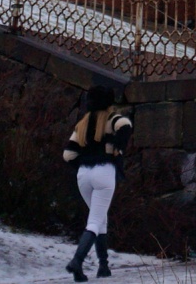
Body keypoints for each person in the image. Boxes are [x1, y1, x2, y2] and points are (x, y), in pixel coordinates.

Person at [63, 85, 133, 281]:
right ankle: (77, 260)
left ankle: (103, 266)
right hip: (104, 172)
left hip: (83, 175)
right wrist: (118, 146)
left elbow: (68, 155)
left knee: (99, 219)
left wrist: (84, 163)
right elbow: (126, 125)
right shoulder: (112, 119)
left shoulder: (82, 125)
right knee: (95, 221)